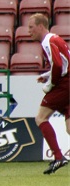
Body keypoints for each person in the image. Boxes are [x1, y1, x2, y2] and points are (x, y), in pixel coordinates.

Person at [28, 13, 69, 174]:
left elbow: (59, 66)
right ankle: (59, 158)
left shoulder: (48, 41)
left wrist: (50, 84)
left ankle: (59, 158)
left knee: (40, 118)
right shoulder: (56, 39)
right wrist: (46, 75)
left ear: (40, 26)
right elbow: (65, 61)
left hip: (64, 84)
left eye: (31, 27)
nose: (29, 31)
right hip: (67, 82)